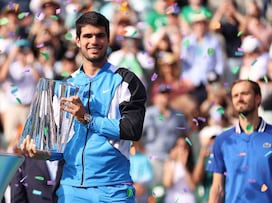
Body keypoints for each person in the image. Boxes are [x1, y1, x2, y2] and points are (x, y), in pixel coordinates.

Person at [20, 11, 147, 203]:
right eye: (88, 36)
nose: (94, 41)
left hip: (114, 188)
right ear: (78, 40)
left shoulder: (126, 81)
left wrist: (87, 119)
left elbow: (132, 129)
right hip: (72, 190)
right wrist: (39, 152)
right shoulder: (64, 85)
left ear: (108, 39)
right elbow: (59, 147)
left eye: (100, 35)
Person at [207, 79, 272, 202]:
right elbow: (218, 187)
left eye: (245, 94)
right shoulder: (222, 140)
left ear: (258, 98)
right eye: (235, 95)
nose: (239, 98)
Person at [162, 135, 196, 203]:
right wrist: (174, 161)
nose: (181, 149)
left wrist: (184, 167)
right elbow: (167, 183)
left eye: (184, 146)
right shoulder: (169, 163)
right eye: (179, 146)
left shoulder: (190, 164)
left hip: (187, 199)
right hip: (172, 198)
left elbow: (192, 186)